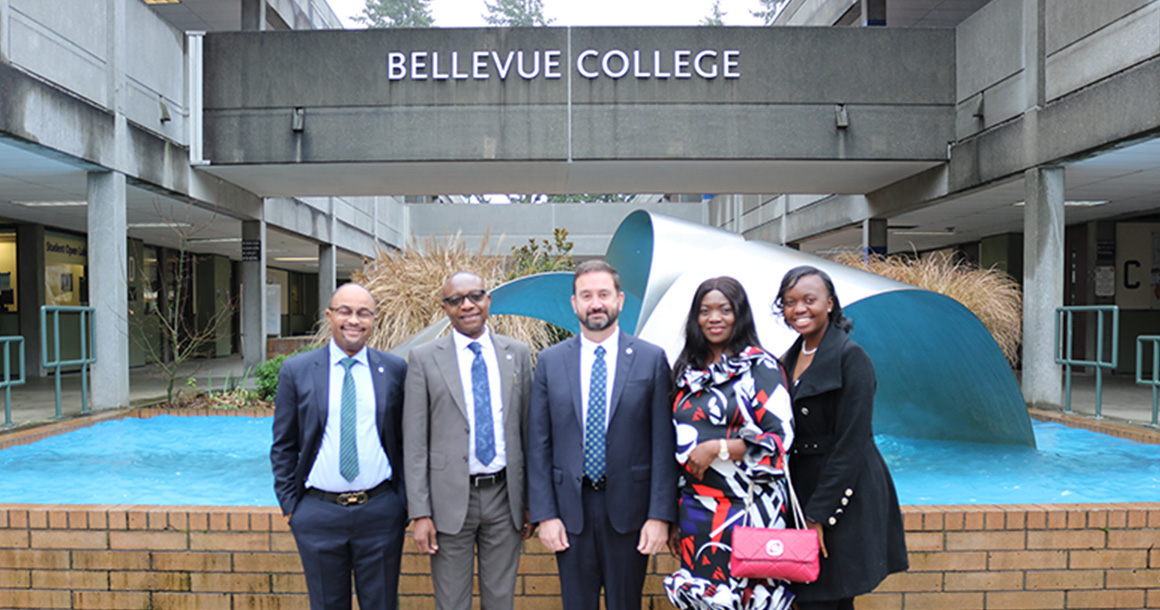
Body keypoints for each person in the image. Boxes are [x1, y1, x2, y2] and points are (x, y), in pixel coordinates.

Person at [527, 259, 678, 610]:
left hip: (631, 511)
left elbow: (662, 443)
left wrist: (659, 516)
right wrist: (545, 515)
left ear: (620, 300)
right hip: (570, 511)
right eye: (587, 295)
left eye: (604, 294)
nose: (596, 303)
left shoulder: (650, 359)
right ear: (574, 303)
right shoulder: (550, 361)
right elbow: (538, 443)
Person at [774, 266, 908, 610]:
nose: (799, 309)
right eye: (789, 302)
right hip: (802, 487)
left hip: (839, 495)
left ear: (830, 304)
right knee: (810, 596)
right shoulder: (786, 360)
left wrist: (817, 516)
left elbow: (851, 443)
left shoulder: (852, 358)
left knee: (827, 596)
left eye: (809, 300)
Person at [270, 283, 409, 610]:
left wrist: (402, 502)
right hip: (318, 513)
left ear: (374, 319)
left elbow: (406, 440)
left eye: (363, 313)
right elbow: (283, 445)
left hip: (380, 510)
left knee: (383, 604)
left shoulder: (394, 370)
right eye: (345, 311)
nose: (354, 320)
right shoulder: (297, 370)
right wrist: (292, 506)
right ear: (329, 316)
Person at [663, 276, 796, 610]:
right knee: (702, 598)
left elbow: (780, 439)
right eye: (705, 311)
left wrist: (719, 447)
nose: (714, 318)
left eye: (724, 309)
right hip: (696, 509)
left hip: (748, 508)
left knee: (749, 600)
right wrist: (675, 517)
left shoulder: (760, 366)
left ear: (739, 314)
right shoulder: (686, 371)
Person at [403, 271, 534, 610]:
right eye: (455, 300)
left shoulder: (517, 353)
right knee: (451, 603)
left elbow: (528, 431)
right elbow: (414, 443)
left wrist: (531, 501)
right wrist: (420, 512)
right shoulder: (424, 358)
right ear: (445, 308)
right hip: (447, 503)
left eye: (475, 296)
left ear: (488, 300)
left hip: (505, 499)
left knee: (501, 601)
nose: (467, 305)